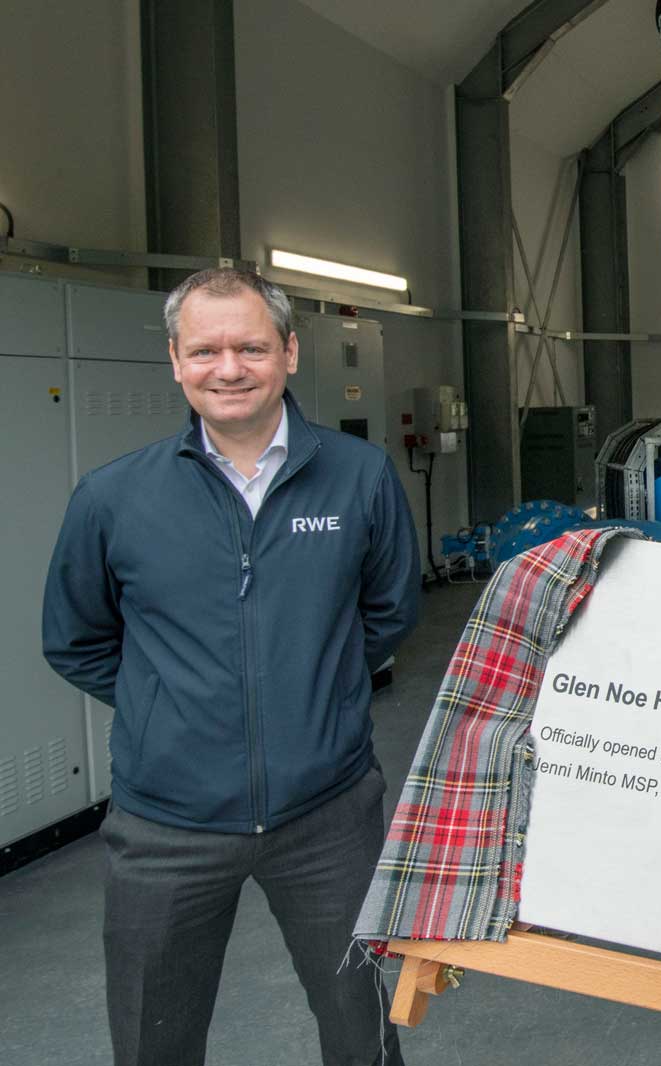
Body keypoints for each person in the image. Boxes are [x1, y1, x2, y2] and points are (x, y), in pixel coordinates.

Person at [42, 267, 419, 1066]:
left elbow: (389, 612)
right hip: (165, 827)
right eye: (205, 350)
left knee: (363, 1033)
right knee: (155, 1041)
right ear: (176, 362)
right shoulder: (113, 497)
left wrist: (308, 693)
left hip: (329, 816)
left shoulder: (360, 477)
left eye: (250, 346)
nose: (229, 368)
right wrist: (167, 707)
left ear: (287, 352)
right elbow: (76, 638)